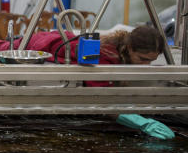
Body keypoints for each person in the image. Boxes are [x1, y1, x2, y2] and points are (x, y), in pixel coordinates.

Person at [21, 24, 173, 140]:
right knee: (1, 46)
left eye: (151, 61)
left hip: (56, 40)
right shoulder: (104, 56)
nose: (146, 66)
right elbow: (101, 100)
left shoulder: (122, 51)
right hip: (40, 45)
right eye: (142, 59)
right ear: (130, 48)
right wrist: (141, 123)